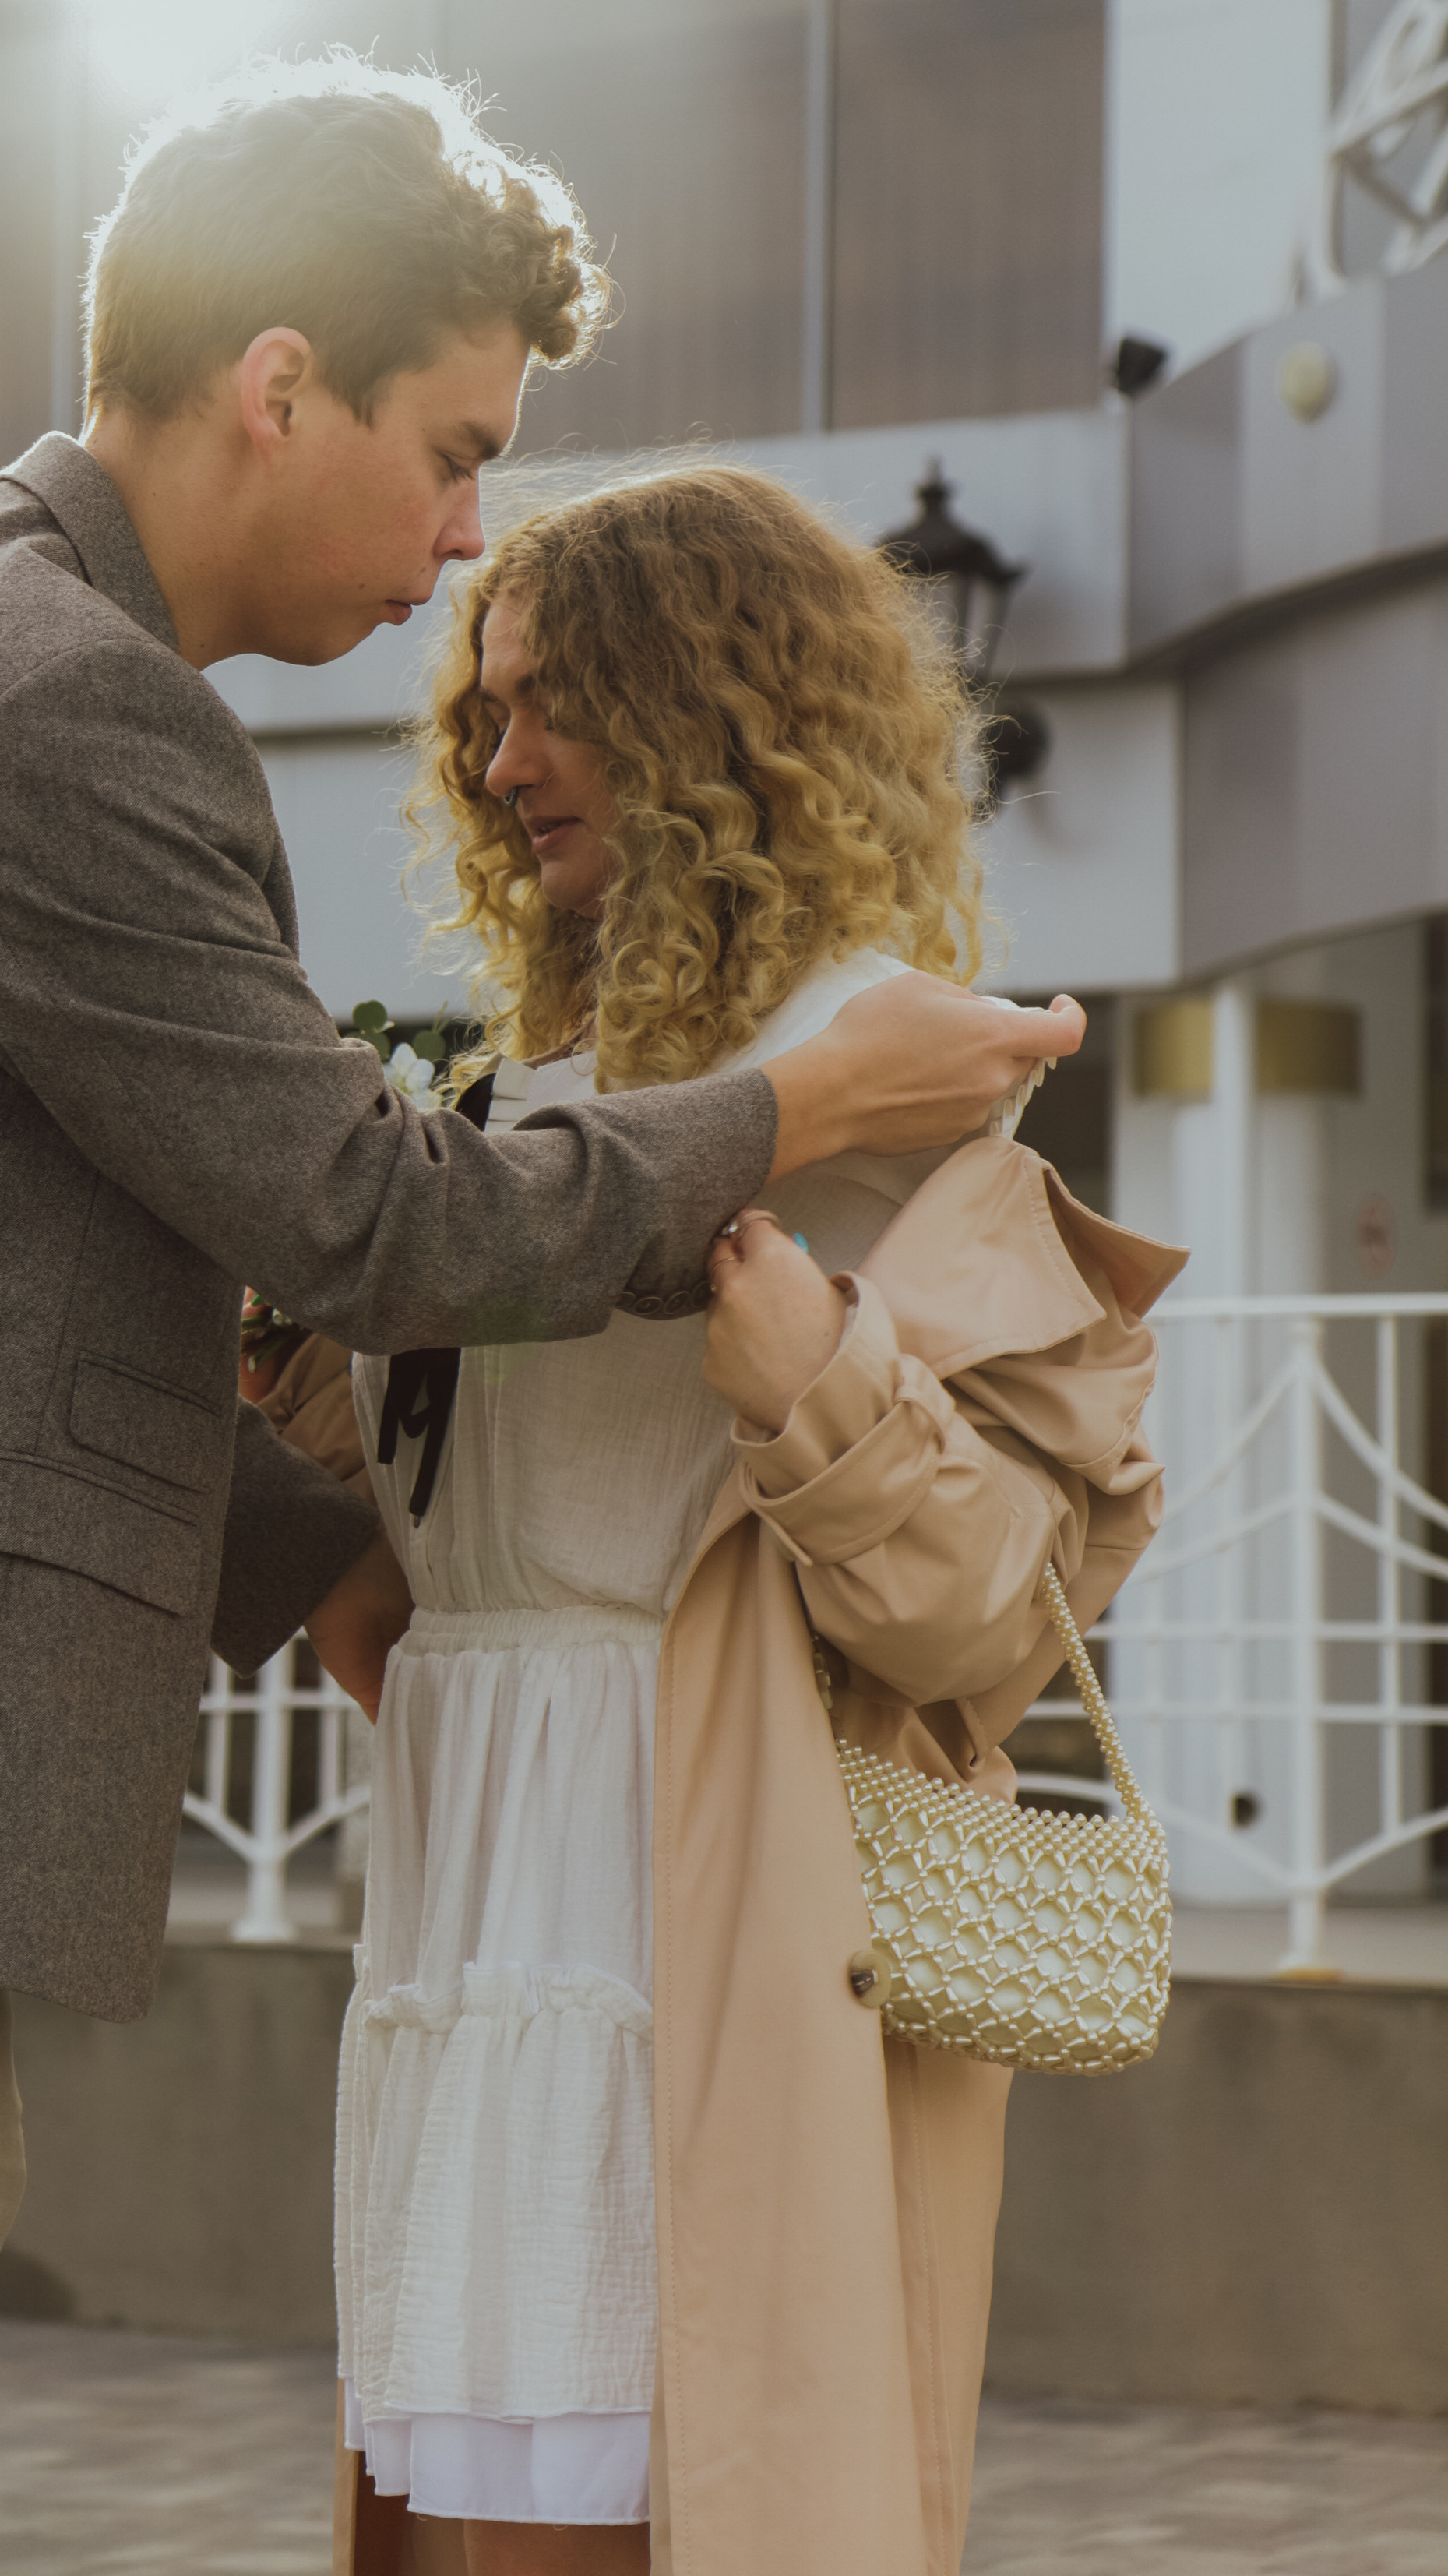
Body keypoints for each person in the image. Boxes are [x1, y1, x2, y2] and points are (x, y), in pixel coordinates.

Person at [0, 62, 1080, 2576]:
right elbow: (365, 1213)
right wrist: (787, 1109)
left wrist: (315, 1540)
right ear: (277, 382)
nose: (455, 547)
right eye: (450, 451)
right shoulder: (64, 705)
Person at [332, 466, 1180, 2576]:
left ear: (717, 713)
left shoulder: (879, 1069)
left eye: (558, 706)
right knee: (454, 2530)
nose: (504, 762)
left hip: (690, 1896)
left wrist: (815, 1374)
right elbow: (464, 1547)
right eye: (489, 717)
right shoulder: (528, 1090)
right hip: (477, 1885)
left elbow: (999, 1615)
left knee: (659, 2509)